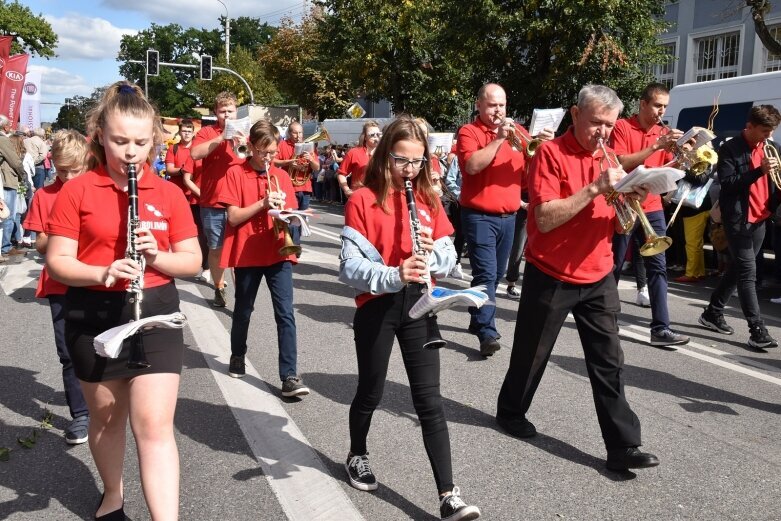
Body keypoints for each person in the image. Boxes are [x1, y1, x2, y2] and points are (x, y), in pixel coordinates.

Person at [45, 81, 201, 519]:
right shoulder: (77, 191)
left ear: (153, 140)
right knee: (107, 420)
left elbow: (192, 261)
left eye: (140, 142)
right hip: (92, 314)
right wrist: (103, 271)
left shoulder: (169, 193)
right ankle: (112, 492)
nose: (131, 152)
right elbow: (57, 262)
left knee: (153, 425)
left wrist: (157, 254)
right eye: (119, 141)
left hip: (155, 314)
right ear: (99, 135)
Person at [496, 85, 660, 472]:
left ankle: (623, 445)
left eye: (609, 125)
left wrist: (630, 197)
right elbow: (544, 218)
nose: (602, 132)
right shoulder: (550, 154)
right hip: (551, 272)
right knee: (531, 354)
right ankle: (511, 410)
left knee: (609, 363)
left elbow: (618, 228)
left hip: (599, 272)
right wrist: (594, 188)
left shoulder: (612, 160)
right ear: (575, 114)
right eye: (595, 123)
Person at [339, 116, 480, 521]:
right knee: (371, 390)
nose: (410, 171)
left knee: (429, 399)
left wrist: (433, 253)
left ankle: (448, 494)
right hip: (378, 305)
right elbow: (349, 268)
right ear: (385, 156)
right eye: (402, 161)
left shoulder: (428, 200)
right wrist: (393, 273)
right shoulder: (361, 200)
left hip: (420, 305)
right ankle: (358, 452)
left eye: (417, 163)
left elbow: (450, 257)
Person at [455, 83, 552, 356]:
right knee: (485, 275)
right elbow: (472, 166)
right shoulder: (469, 132)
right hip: (478, 216)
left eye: (502, 105)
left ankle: (478, 318)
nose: (498, 110)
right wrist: (498, 139)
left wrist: (542, 148)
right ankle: (487, 332)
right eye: (492, 105)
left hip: (509, 217)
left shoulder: (519, 135)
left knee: (495, 276)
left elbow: (527, 178)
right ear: (479, 105)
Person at [219, 120, 310, 398]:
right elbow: (233, 217)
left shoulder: (281, 177)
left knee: (285, 313)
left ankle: (289, 376)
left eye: (272, 153)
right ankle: (237, 354)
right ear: (252, 147)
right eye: (263, 152)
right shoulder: (235, 173)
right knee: (244, 310)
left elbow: (293, 216)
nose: (268, 158)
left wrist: (291, 216)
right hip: (247, 252)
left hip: (277, 251)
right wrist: (262, 204)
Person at [22, 130, 91, 444]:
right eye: (62, 171)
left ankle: (105, 406)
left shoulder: (97, 191)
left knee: (101, 348)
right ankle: (81, 416)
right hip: (59, 285)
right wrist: (62, 228)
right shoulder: (45, 195)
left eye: (75, 170)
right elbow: (39, 245)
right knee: (68, 353)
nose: (69, 176)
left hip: (95, 282)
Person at [609, 82, 690, 347]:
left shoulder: (663, 132)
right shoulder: (622, 126)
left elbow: (669, 169)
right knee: (615, 264)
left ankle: (661, 329)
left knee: (659, 268)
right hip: (623, 204)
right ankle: (606, 318)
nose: (661, 112)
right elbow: (621, 162)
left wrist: (684, 156)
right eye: (657, 105)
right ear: (643, 104)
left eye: (665, 107)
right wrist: (656, 146)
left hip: (653, 207)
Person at [698, 105, 781, 348]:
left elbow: (775, 184)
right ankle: (757, 330)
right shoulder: (730, 149)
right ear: (750, 126)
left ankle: (712, 312)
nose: (769, 135)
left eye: (772, 131)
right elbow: (729, 184)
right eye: (765, 131)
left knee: (737, 269)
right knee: (748, 273)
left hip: (761, 218)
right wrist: (759, 171)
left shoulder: (772, 149)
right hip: (737, 219)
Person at [190, 91, 243, 307]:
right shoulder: (207, 132)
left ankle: (242, 295)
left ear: (236, 111)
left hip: (240, 201)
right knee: (216, 248)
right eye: (223, 111)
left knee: (240, 250)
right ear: (216, 112)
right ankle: (219, 286)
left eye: (230, 111)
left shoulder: (245, 130)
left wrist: (244, 141)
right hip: (213, 200)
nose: (227, 115)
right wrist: (222, 137)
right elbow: (195, 154)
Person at [169, 119, 209, 281]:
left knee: (201, 233)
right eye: (184, 131)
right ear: (179, 132)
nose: (186, 134)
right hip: (179, 195)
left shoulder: (198, 149)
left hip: (196, 196)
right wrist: (185, 169)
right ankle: (177, 262)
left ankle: (205, 266)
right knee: (178, 231)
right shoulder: (175, 148)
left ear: (193, 132)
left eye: (189, 131)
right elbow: (170, 170)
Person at [274, 121, 320, 245]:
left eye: (300, 132)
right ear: (289, 133)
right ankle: (294, 245)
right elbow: (274, 161)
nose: (298, 135)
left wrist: (311, 160)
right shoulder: (283, 145)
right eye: (295, 132)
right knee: (292, 216)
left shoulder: (309, 146)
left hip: (305, 188)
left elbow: (317, 168)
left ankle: (295, 243)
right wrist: (289, 162)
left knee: (301, 219)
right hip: (289, 187)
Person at [337, 121, 381, 199]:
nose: (376, 137)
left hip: (379, 197)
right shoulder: (354, 152)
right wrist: (346, 189)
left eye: (378, 134)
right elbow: (341, 173)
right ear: (365, 137)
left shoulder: (385, 153)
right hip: (359, 197)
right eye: (372, 135)